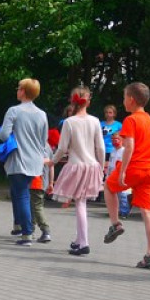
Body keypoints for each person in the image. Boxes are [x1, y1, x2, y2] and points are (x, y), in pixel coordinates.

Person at [103, 82, 150, 269]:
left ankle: (115, 224)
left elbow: (130, 147)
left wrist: (123, 171)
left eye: (124, 97)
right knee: (148, 211)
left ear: (131, 99)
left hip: (134, 168)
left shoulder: (131, 120)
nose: (123, 101)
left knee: (109, 187)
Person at [50, 86, 105, 256]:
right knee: (82, 203)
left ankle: (84, 243)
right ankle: (79, 240)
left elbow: (62, 148)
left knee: (79, 203)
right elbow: (101, 148)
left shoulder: (69, 122)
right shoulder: (95, 121)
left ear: (72, 101)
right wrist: (101, 167)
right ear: (88, 101)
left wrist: (52, 161)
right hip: (92, 165)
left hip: (76, 165)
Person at [0, 78, 50, 246]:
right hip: (36, 161)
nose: (17, 90)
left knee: (21, 195)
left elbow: (3, 135)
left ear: (24, 91)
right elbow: (44, 140)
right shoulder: (42, 114)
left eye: (19, 88)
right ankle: (20, 226)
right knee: (20, 193)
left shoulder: (13, 111)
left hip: (19, 159)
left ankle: (27, 233)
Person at [105, 134, 131, 219]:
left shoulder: (124, 151)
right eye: (112, 139)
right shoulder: (113, 151)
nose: (114, 141)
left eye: (116, 139)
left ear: (121, 140)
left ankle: (124, 212)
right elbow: (110, 163)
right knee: (114, 194)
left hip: (120, 174)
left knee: (123, 194)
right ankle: (115, 211)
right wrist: (107, 174)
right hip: (112, 174)